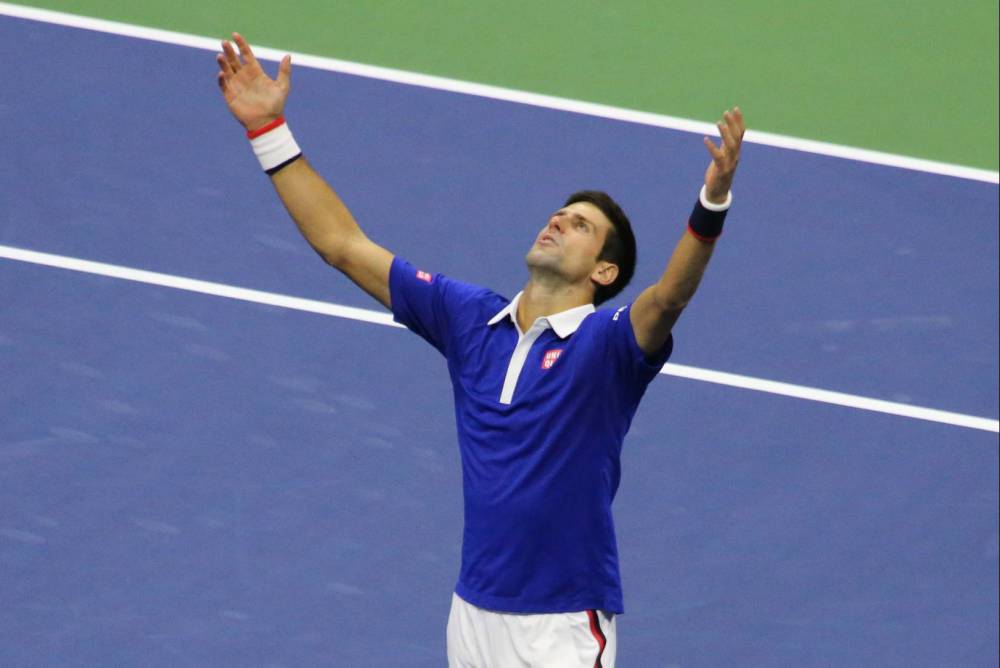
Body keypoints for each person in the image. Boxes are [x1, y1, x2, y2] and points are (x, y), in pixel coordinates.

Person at [216, 33, 745, 668]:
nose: (556, 222)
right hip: (472, 614)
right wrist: (269, 129)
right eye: (559, 214)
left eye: (580, 226)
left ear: (603, 274)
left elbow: (670, 297)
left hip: (561, 625)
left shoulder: (609, 347)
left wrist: (712, 199)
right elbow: (344, 245)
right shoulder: (469, 319)